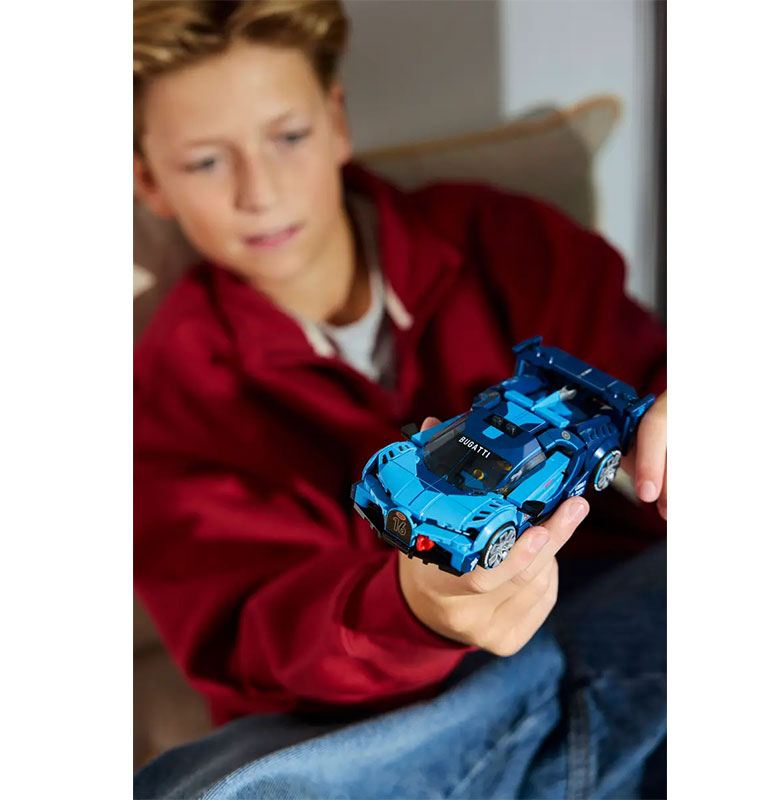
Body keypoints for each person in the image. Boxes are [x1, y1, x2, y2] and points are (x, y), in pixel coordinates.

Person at [133, 1, 667, 796]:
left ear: (336, 122)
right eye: (207, 161)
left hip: (614, 615)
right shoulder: (166, 392)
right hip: (394, 713)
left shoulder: (503, 238)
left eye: (289, 137)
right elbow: (253, 636)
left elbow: (645, 378)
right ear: (148, 180)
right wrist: (413, 607)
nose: (260, 192)